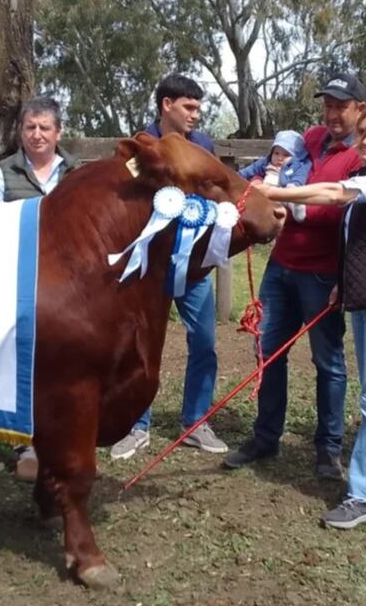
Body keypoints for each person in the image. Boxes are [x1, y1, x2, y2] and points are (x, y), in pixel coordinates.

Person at [258, 103, 366, 528]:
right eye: (362, 134)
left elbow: (331, 194)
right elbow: (360, 239)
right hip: (365, 297)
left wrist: (273, 193)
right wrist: (343, 283)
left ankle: (365, 497)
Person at [222, 73, 366, 481]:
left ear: (360, 109)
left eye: (341, 106)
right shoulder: (312, 139)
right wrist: (265, 187)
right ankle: (265, 437)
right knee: (268, 353)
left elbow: (343, 210)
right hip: (282, 267)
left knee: (329, 362)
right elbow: (277, 171)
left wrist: (289, 205)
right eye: (328, 105)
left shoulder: (360, 156)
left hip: (322, 272)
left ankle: (328, 449)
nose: (332, 114)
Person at [109, 73, 227, 459]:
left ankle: (196, 422)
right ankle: (135, 425)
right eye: (188, 107)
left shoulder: (204, 146)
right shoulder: (139, 147)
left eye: (197, 108)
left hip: (192, 265)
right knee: (140, 345)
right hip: (149, 265)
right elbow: (127, 197)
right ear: (167, 105)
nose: (195, 114)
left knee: (204, 342)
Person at [0, 95, 81, 482]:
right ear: (20, 131)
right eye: (30, 127)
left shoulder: (77, 175)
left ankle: (66, 439)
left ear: (58, 133)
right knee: (23, 361)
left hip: (70, 285)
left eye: (44, 128)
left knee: (67, 362)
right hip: (18, 281)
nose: (37, 134)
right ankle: (28, 445)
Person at [238, 130, 310, 221]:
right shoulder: (266, 163)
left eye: (286, 155)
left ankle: (297, 208)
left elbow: (300, 176)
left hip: (282, 192)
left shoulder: (296, 166)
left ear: (295, 157)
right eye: (276, 153)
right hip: (265, 192)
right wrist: (238, 176)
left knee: (289, 199)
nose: (280, 158)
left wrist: (294, 185)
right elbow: (251, 169)